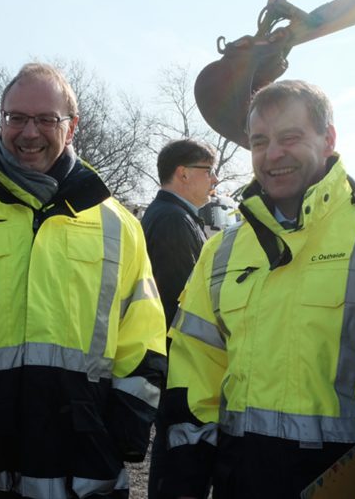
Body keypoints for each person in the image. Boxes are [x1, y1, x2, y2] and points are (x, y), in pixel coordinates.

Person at [0, 62, 167, 499]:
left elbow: (142, 335)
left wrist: (121, 433)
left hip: (82, 465)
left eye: (46, 119)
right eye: (17, 118)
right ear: (2, 120)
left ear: (72, 128)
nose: (29, 132)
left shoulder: (118, 224)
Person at [159, 79, 355, 498]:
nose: (273, 155)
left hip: (351, 482)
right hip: (241, 480)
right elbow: (192, 371)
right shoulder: (222, 250)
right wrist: (183, 479)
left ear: (328, 139)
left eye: (290, 137)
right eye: (260, 141)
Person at [141, 139, 217, 499]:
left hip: (176, 371)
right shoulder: (173, 220)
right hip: (182, 372)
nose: (214, 179)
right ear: (183, 174)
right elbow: (181, 306)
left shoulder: (172, 215)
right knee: (180, 470)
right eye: (208, 171)